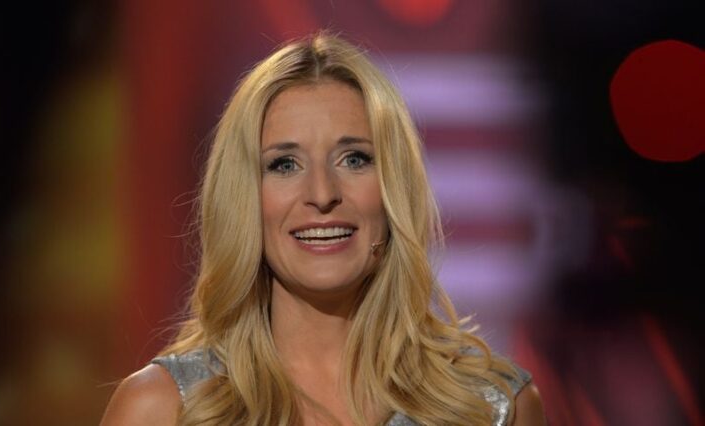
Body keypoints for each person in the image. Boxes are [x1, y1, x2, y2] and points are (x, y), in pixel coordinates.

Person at [101, 32, 546, 426]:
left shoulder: (493, 408)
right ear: (244, 197)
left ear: (393, 187)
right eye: (284, 164)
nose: (322, 193)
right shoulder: (161, 410)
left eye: (354, 159)